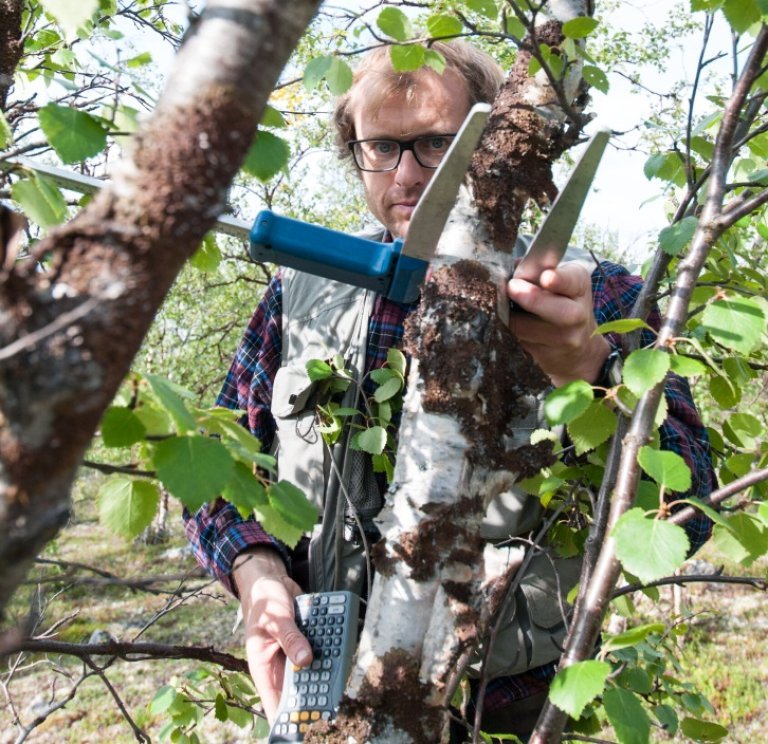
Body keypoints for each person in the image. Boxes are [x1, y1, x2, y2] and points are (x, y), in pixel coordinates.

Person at [184, 40, 715, 739]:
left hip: (515, 704)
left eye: (436, 142)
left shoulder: (588, 291)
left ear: (496, 149)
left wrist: (591, 367)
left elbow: (689, 505)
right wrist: (255, 573)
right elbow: (210, 466)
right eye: (381, 146)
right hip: (324, 683)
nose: (405, 174)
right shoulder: (302, 292)